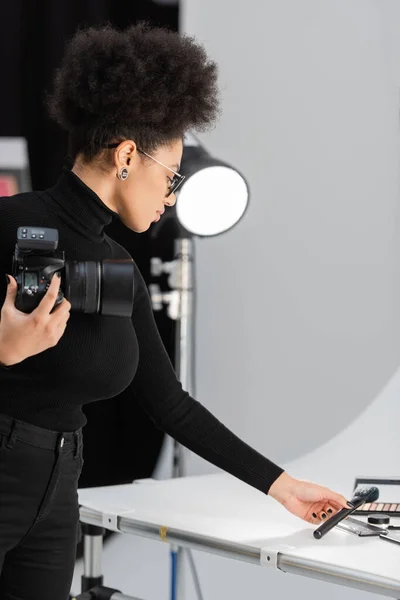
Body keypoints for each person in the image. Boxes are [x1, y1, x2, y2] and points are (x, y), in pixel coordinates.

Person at [0, 23, 349, 600]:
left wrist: (284, 487)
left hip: (59, 491)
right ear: (127, 155)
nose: (173, 195)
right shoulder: (9, 224)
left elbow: (170, 405)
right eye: (172, 175)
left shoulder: (118, 269)